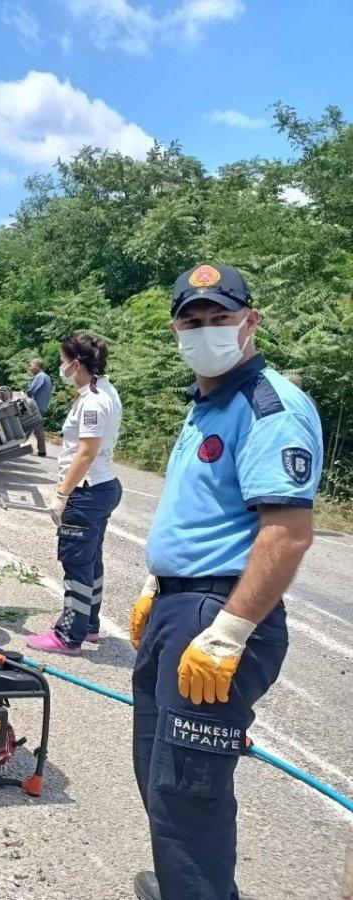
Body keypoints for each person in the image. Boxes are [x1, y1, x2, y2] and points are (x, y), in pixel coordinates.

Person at [129, 264, 320, 900]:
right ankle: (184, 886)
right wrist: (161, 593)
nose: (206, 332)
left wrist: (229, 630)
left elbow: (286, 533)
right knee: (159, 772)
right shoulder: (206, 403)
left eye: (221, 320)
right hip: (181, 605)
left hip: (219, 613)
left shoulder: (268, 407)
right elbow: (208, 518)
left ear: (250, 323)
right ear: (176, 329)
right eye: (193, 322)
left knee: (189, 792)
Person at [27, 333, 123, 656]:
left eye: (63, 360)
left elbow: (86, 452)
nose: (61, 366)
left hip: (86, 491)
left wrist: (62, 494)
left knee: (76, 563)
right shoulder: (103, 391)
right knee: (92, 559)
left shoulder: (93, 401)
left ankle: (69, 635)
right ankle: (90, 624)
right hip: (103, 486)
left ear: (77, 364)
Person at [26, 358, 53, 456]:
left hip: (36, 406)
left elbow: (31, 391)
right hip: (42, 406)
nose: (30, 367)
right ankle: (41, 450)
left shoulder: (40, 376)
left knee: (30, 425)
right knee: (32, 426)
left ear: (37, 365)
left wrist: (25, 394)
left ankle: (42, 451)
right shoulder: (46, 377)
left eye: (31, 365)